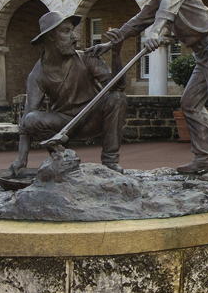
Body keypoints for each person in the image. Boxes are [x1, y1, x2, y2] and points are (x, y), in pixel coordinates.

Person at [92, 0, 208, 181]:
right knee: (189, 103)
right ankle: (204, 157)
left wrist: (156, 31)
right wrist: (109, 44)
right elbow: (138, 21)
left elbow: (164, 14)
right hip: (202, 53)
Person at [10, 10, 128, 175]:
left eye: (72, 30)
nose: (74, 37)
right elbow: (26, 122)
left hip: (93, 118)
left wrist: (116, 54)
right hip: (65, 126)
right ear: (51, 37)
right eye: (66, 31)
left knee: (117, 98)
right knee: (31, 119)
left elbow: (118, 87)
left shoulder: (88, 58)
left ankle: (110, 161)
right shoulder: (37, 74)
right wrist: (21, 159)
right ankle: (60, 159)